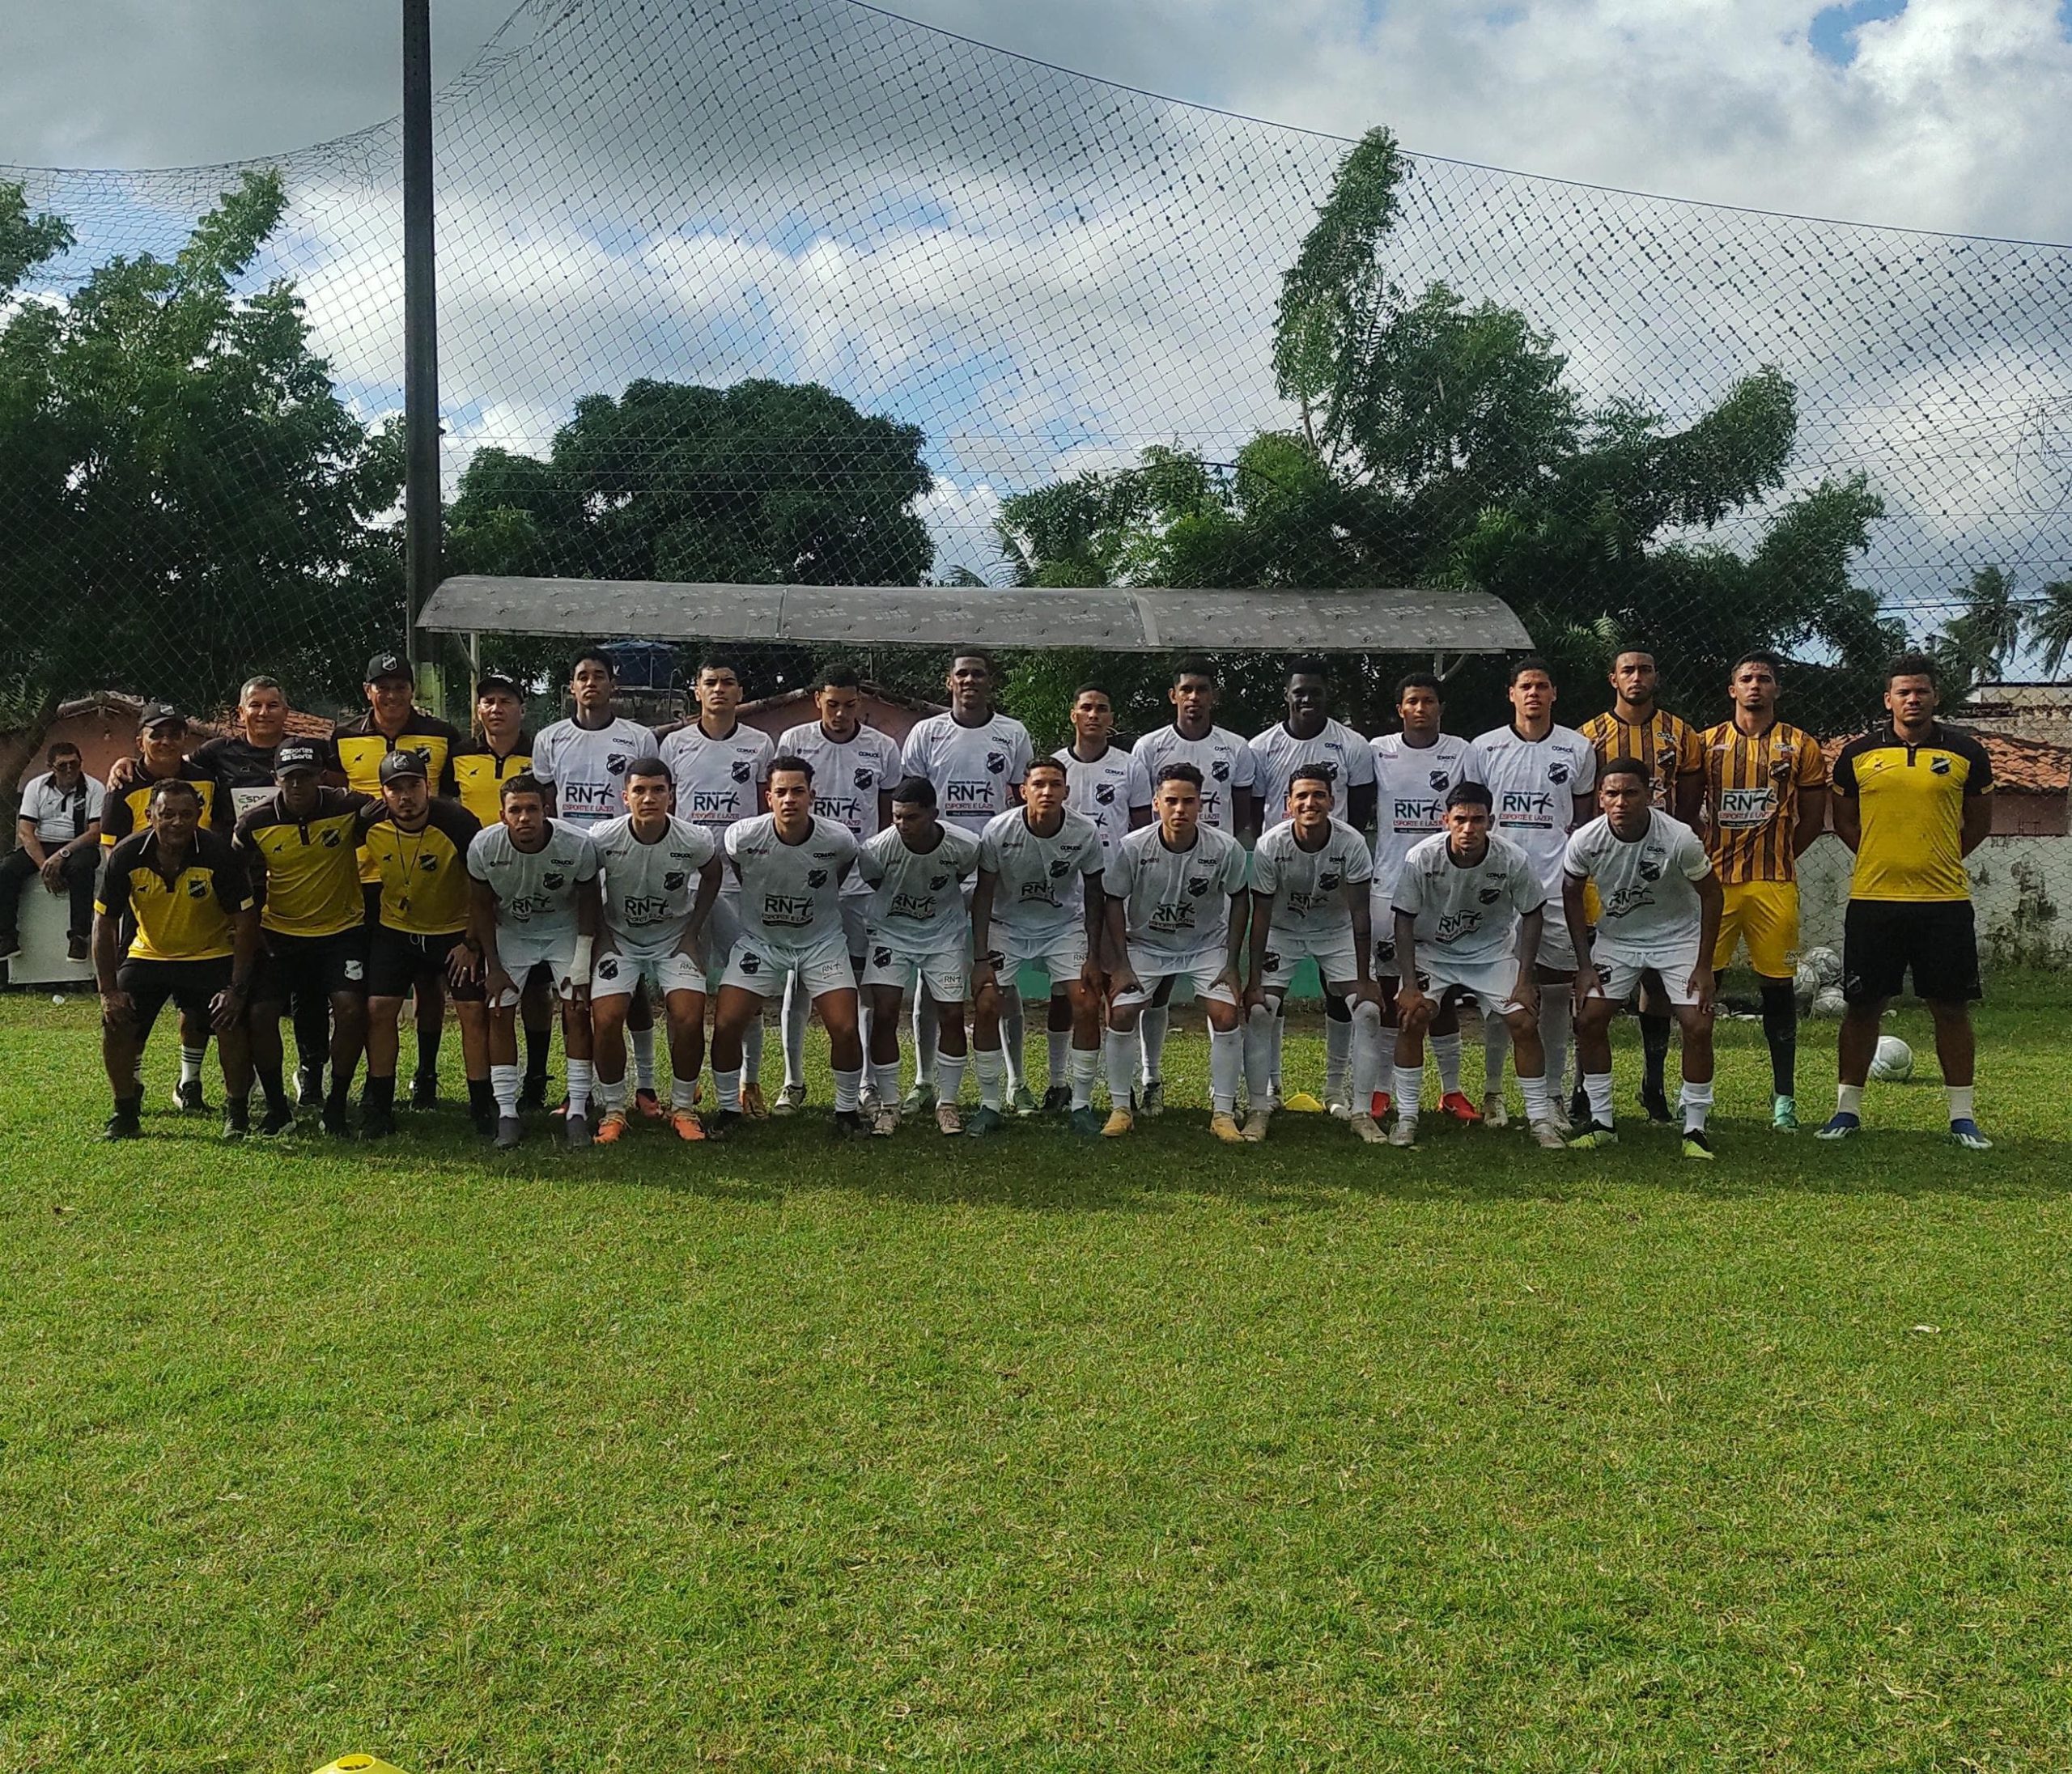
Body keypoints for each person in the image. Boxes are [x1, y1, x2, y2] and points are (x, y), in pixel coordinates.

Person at [1819, 654, 1994, 1149]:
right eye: (1903, 692)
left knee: (1951, 1008)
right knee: (1862, 1006)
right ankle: (1846, 1111)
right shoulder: (1857, 754)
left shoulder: (1967, 752)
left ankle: (1962, 1118)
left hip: (1944, 902)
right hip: (1874, 900)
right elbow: (1845, 822)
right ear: (1888, 700)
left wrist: (1936, 859)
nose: (1912, 699)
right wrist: (1884, 857)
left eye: (1921, 691)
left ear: (1935, 697)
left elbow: (1979, 824)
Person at [1560, 758, 1724, 1158]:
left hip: (1677, 939)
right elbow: (1570, 894)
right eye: (1612, 794)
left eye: (1631, 793)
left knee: (1697, 1025)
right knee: (1589, 1019)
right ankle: (1602, 1122)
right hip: (1618, 939)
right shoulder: (1586, 839)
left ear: (1650, 796)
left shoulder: (1679, 838)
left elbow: (1712, 894)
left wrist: (1704, 965)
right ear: (1600, 798)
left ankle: (1695, 1128)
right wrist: (1584, 966)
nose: (1621, 802)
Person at [1390, 783, 1563, 1150]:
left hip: (1490, 954)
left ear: (1491, 822)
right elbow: (1403, 919)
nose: (1469, 828)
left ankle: (1540, 1120)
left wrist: (1524, 980)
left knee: (1524, 1020)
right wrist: (1409, 984)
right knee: (1412, 1017)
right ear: (1446, 821)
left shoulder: (1512, 859)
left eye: (1478, 820)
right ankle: (1406, 1117)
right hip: (1434, 953)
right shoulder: (1421, 858)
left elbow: (1533, 914)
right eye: (1461, 820)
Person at [898, 651, 1034, 1112]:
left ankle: (1017, 1081)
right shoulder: (926, 733)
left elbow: (1021, 802)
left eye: (978, 674)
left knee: (1001, 979)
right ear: (949, 682)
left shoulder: (1013, 733)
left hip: (994, 870)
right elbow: (911, 802)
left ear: (989, 681)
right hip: (936, 868)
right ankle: (923, 1080)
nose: (970, 680)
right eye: (962, 674)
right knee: (929, 976)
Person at [705, 756, 867, 1139]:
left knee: (845, 1027)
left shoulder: (838, 839)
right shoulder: (743, 837)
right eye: (781, 792)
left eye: (798, 791)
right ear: (768, 797)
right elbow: (740, 870)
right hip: (761, 943)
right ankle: (729, 1110)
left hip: (821, 942)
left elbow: (839, 872)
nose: (789, 799)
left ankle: (847, 1111)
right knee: (726, 1023)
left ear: (812, 796)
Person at [1701, 651, 1828, 1132]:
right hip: (1715, 887)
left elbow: (1812, 818)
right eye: (1747, 679)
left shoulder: (1800, 745)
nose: (1755, 685)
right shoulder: (1705, 744)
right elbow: (1688, 807)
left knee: (1779, 988)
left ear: (1777, 689)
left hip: (1774, 886)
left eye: (1765, 679)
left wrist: (1780, 856)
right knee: (1703, 987)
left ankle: (1784, 1100)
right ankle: (1698, 1097)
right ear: (1732, 689)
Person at [1578, 646, 1706, 1123]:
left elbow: (1689, 801)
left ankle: (1654, 1085)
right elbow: (1582, 798)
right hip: (1609, 865)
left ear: (1656, 677)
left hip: (1664, 863)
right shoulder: (1588, 735)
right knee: (1596, 988)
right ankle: (1584, 1093)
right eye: (1628, 670)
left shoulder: (1682, 734)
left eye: (1645, 669)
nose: (1637, 677)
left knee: (1659, 982)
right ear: (1613, 679)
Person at [535, 648, 665, 1118]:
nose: (590, 683)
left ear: (614, 684)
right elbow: (548, 805)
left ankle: (646, 1087)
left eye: (599, 676)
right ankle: (581, 1087)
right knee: (580, 984)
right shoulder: (550, 739)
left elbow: (648, 796)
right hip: (573, 871)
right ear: (571, 686)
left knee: (632, 985)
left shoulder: (639, 737)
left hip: (624, 865)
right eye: (582, 676)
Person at [332, 652, 465, 1110]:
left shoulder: (442, 734)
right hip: (367, 876)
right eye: (382, 687)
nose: (391, 695)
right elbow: (333, 799)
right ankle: (374, 1083)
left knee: (430, 985)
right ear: (367, 691)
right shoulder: (344, 736)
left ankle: (426, 1074)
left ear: (413, 690)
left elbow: (452, 798)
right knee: (375, 991)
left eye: (400, 686)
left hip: (427, 873)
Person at [93, 778, 258, 1142]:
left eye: (186, 814)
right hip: (149, 952)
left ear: (199, 814)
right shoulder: (126, 854)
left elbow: (246, 922)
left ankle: (237, 1114)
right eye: (167, 814)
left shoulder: (218, 855)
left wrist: (237, 989)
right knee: (115, 1021)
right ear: (150, 815)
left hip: (210, 953)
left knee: (230, 1020)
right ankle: (125, 1114)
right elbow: (103, 923)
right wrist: (108, 992)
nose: (177, 822)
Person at [1127, 656, 1257, 1114]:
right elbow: (1141, 814)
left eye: (1202, 689)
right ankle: (1150, 1078)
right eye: (1187, 689)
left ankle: (1225, 1098)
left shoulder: (1236, 748)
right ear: (1174, 696)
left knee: (1220, 999)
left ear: (1213, 696)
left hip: (1211, 875)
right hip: (1161, 874)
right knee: (1155, 990)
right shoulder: (1148, 747)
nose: (1194, 697)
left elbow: (1244, 813)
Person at [1248, 658, 1378, 1118]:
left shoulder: (1352, 745)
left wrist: (1331, 854)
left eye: (1315, 691)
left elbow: (1360, 806)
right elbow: (1254, 809)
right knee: (1265, 1004)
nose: (1307, 699)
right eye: (1298, 691)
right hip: (1282, 899)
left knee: (1349, 1001)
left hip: (1332, 906)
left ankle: (1338, 1091)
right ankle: (1268, 1090)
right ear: (1287, 695)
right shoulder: (1261, 747)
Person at [1474, 658, 1597, 1130]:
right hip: (1498, 887)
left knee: (1556, 992)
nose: (1533, 694)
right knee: (1500, 994)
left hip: (1553, 888)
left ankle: (1552, 1096)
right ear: (1512, 694)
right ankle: (1493, 1093)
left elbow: (1582, 820)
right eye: (1525, 686)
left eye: (1542, 686)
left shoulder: (1577, 748)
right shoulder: (1484, 748)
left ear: (1553, 694)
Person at [1100, 763, 1251, 1143]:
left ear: (1201, 804)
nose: (1180, 809)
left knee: (1226, 1013)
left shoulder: (1225, 848)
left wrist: (1232, 963)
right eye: (1171, 801)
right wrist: (1121, 964)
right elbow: (1113, 900)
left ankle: (1223, 1112)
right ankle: (1120, 1109)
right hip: (1147, 945)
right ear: (1156, 803)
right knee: (1121, 1012)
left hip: (1205, 946)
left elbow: (1240, 899)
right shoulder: (1133, 847)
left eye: (1188, 801)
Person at [775, 666, 902, 1114]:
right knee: (797, 978)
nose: (841, 713)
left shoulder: (883, 748)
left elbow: (888, 818)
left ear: (860, 703)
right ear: (818, 701)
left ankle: (866, 1083)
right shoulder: (794, 741)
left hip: (860, 884)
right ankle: (792, 1082)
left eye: (850, 705)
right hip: (805, 878)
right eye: (832, 704)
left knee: (863, 981)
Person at [229, 739, 369, 1138]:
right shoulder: (253, 822)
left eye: (305, 777)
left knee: (350, 1010)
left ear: (320, 776)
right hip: (280, 934)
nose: (297, 785)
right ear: (276, 778)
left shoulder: (347, 806)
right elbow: (233, 877)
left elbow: (392, 808)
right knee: (260, 1014)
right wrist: (246, 929)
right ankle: (277, 1109)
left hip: (342, 931)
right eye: (289, 777)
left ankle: (336, 1105)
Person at [659, 656, 776, 1114]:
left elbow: (766, 812)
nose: (720, 689)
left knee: (746, 986)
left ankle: (750, 1083)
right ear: (697, 690)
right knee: (682, 990)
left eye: (729, 682)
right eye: (711, 682)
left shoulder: (760, 744)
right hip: (686, 883)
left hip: (739, 884)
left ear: (740, 692)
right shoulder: (675, 744)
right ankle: (684, 1085)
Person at [1241, 766, 1383, 1144]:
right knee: (1260, 1011)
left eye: (1319, 795)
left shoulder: (1351, 843)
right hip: (1283, 932)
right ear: (1289, 804)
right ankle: (1258, 1108)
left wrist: (1365, 979)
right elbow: (1261, 915)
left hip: (1336, 932)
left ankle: (1361, 1111)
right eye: (1301, 796)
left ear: (1332, 801)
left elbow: (1360, 913)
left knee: (1368, 1011)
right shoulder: (1271, 845)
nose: (1310, 803)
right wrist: (1254, 981)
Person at [1367, 673, 1484, 1126]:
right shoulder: (1377, 751)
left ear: (1440, 707)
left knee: (1444, 992)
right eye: (1412, 700)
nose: (1421, 708)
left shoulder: (1462, 752)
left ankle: (1451, 1091)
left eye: (1429, 700)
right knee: (1390, 991)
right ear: (1400, 708)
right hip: (1389, 884)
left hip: (1445, 887)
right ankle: (1381, 1090)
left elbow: (1472, 808)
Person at [970, 756, 1107, 1137]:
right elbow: (983, 894)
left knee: (1086, 1003)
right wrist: (980, 957)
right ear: (1023, 791)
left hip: (1062, 927)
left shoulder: (1084, 832)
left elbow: (1094, 892)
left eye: (1055, 785)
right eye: (1039, 784)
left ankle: (1081, 1104)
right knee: (987, 1003)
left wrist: (1094, 955)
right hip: (1008, 927)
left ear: (1066, 791)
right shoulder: (999, 830)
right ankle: (989, 1105)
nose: (1047, 791)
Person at [588, 758, 722, 1144]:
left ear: (671, 796)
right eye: (640, 790)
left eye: (658, 790)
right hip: (620, 939)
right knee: (607, 1018)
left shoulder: (694, 838)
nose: (649, 798)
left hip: (673, 939)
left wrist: (692, 933)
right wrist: (602, 934)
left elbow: (713, 873)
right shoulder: (601, 838)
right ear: (625, 797)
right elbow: (584, 880)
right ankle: (614, 1109)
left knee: (688, 1016)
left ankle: (683, 1107)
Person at [100, 702, 223, 1112]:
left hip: (200, 901)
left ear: (185, 739)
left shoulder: (206, 778)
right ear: (141, 741)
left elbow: (219, 833)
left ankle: (189, 1082)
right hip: (145, 908)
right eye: (157, 734)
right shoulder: (123, 784)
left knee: (196, 1008)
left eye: (174, 733)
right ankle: (131, 1085)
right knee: (133, 1010)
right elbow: (112, 854)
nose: (166, 741)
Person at [467, 772, 602, 1149]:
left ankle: (578, 1109)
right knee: (499, 1009)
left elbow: (590, 900)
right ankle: (507, 1112)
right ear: (502, 815)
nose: (524, 817)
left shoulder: (577, 844)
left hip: (563, 928)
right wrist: (493, 966)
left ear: (546, 810)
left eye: (531, 809)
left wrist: (582, 959)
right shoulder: (483, 847)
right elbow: (481, 906)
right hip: (512, 931)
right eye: (515, 811)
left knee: (577, 1009)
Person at [359, 750, 491, 1132]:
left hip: (453, 932)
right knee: (379, 1009)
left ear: (427, 786)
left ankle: (482, 1105)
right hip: (396, 928)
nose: (406, 797)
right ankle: (379, 1103)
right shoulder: (367, 822)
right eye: (395, 788)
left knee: (472, 1012)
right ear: (382, 793)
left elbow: (484, 886)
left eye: (413, 786)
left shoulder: (457, 822)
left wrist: (472, 943)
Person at [856, 777, 983, 1137]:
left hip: (944, 936)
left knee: (952, 1014)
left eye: (911, 817)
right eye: (896, 816)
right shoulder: (876, 849)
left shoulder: (965, 845)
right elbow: (875, 881)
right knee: (884, 1013)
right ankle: (889, 1105)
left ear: (933, 814)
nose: (901, 824)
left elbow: (961, 876)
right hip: (891, 934)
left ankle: (948, 1104)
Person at [451, 671, 554, 1110]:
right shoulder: (458, 755)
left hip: (531, 876)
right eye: (488, 701)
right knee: (490, 989)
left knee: (537, 989)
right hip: (475, 875)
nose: (496, 709)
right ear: (478, 710)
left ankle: (536, 1076)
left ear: (522, 709)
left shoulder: (540, 756)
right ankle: (488, 1085)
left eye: (506, 701)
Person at [1045, 682, 1135, 1111]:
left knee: (1119, 989)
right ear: (1073, 715)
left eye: (1102, 708)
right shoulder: (1055, 767)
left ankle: (1125, 1084)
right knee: (1064, 994)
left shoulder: (1130, 766)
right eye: (1086, 708)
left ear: (1111, 718)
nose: (1094, 715)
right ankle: (1058, 1082)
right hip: (1064, 895)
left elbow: (1139, 830)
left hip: (1113, 891)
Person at [2, 741, 104, 965]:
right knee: (6, 869)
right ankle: (7, 937)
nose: (69, 770)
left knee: (82, 867)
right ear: (51, 767)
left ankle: (79, 937)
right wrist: (44, 867)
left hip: (78, 845)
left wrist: (62, 855)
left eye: (74, 764)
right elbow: (26, 832)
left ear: (81, 763)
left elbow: (95, 832)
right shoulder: (36, 787)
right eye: (62, 765)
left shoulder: (94, 788)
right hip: (42, 844)